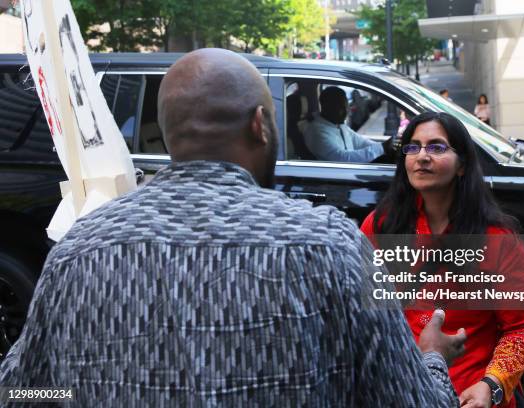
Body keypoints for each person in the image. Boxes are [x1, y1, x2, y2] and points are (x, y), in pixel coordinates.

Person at [0, 49, 466, 407]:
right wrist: (432, 358)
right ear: (261, 125)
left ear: (167, 134)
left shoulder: (77, 254)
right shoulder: (332, 248)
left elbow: (20, 395)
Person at [360, 112, 524, 408]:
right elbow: (361, 313)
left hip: (471, 394)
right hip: (401, 391)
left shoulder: (497, 236)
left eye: (436, 147)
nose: (421, 156)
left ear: (462, 165)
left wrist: (492, 384)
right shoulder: (380, 226)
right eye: (412, 147)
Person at [302, 86, 394, 162]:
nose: (347, 112)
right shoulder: (317, 132)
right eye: (342, 108)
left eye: (346, 106)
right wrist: (381, 148)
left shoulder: (338, 124)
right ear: (327, 107)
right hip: (334, 181)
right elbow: (343, 158)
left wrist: (385, 146)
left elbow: (360, 142)